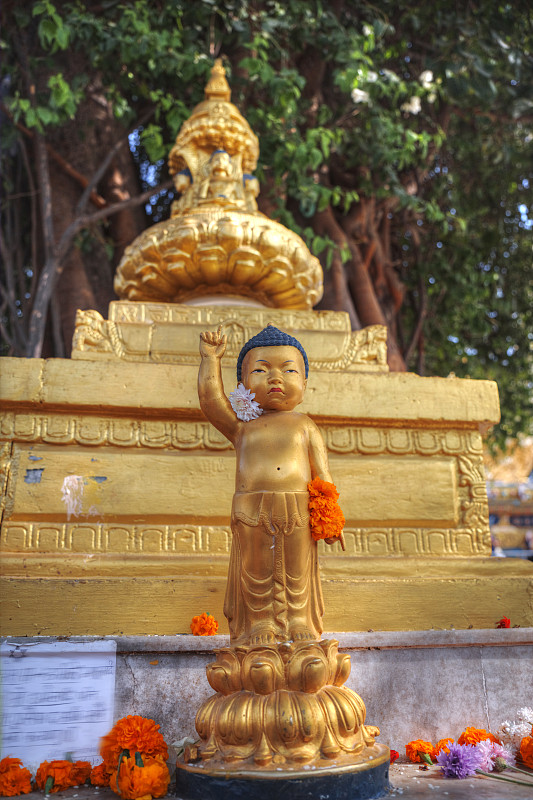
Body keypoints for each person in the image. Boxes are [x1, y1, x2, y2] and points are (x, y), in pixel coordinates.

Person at [198, 323, 342, 646]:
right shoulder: (242, 427)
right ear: (243, 383)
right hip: (251, 509)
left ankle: (300, 619)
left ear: (304, 383)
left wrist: (331, 518)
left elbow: (323, 475)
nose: (275, 378)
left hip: (299, 510)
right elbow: (211, 403)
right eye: (262, 370)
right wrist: (210, 359)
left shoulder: (306, 427)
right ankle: (260, 622)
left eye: (288, 370)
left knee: (297, 572)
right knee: (257, 569)